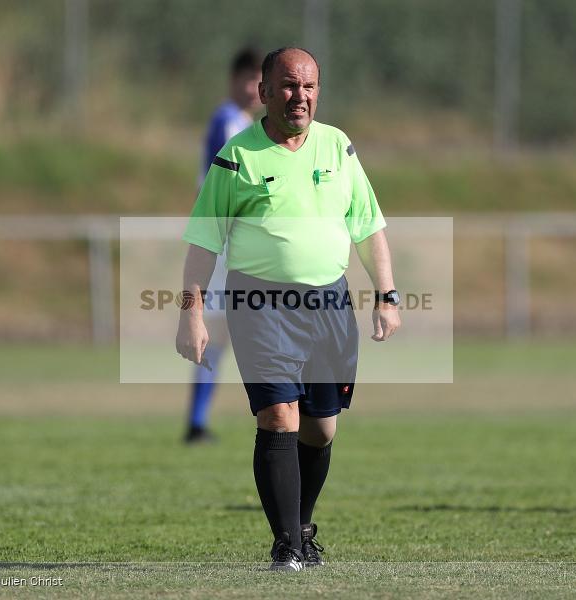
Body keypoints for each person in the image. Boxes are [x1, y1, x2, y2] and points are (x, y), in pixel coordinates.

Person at [176, 47, 400, 571]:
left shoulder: (338, 146)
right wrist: (190, 312)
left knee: (320, 429)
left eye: (309, 87)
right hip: (260, 304)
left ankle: (302, 523)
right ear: (264, 91)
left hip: (329, 304)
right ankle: (287, 546)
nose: (300, 96)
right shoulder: (237, 156)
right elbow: (202, 244)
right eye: (288, 86)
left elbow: (367, 225)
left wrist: (387, 295)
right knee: (278, 415)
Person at [184, 48, 262, 444]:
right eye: (248, 80)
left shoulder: (237, 122)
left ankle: (198, 422)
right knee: (236, 329)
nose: (254, 89)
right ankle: (199, 422)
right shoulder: (230, 124)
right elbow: (228, 190)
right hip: (227, 245)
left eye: (259, 81)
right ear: (233, 81)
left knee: (227, 333)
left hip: (229, 244)